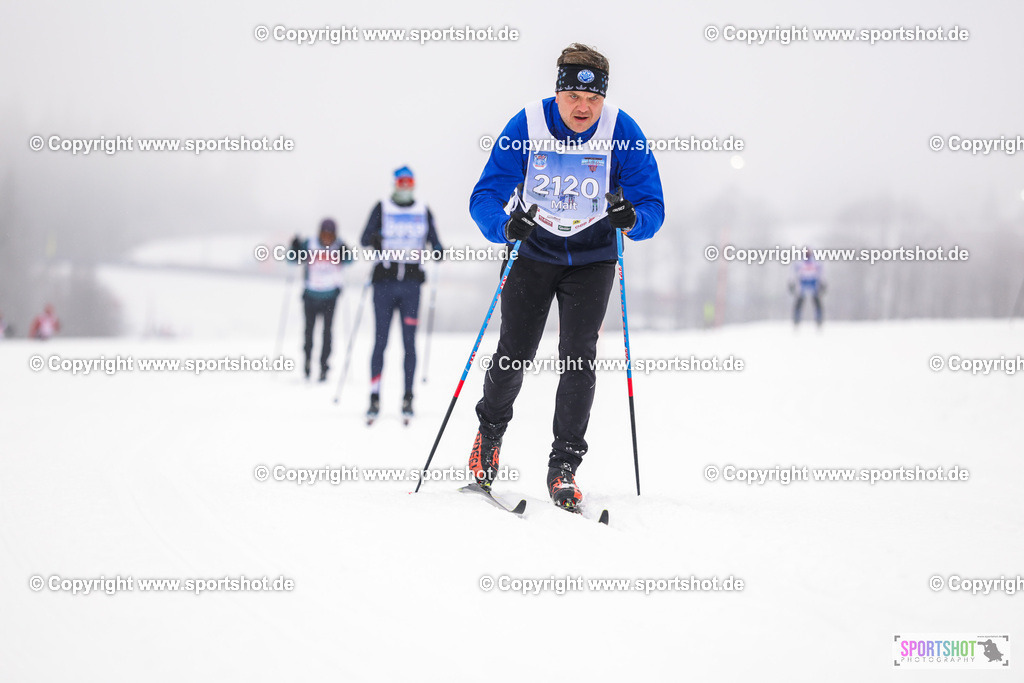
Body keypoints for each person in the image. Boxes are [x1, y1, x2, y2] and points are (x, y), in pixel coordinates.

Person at [467, 43, 664, 510]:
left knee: (579, 357)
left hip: (592, 259)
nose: (583, 108)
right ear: (558, 92)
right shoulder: (527, 126)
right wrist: (503, 227)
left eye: (593, 99)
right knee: (514, 353)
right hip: (532, 252)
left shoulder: (622, 131)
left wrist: (630, 219)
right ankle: (488, 439)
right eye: (574, 95)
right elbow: (484, 196)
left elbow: (653, 208)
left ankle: (564, 468)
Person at [361, 167, 443, 422]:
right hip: (384, 284)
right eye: (401, 182)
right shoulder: (382, 207)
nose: (405, 187)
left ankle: (408, 396)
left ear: (414, 185)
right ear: (395, 184)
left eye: (409, 183)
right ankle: (374, 396)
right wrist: (374, 238)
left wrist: (438, 250)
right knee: (381, 341)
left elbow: (436, 242)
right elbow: (364, 239)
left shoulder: (423, 210)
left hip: (411, 286)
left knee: (409, 343)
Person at [289, 219, 351, 381]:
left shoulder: (339, 245)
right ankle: (308, 361)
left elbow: (350, 261)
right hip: (310, 295)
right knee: (309, 332)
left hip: (330, 296)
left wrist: (346, 252)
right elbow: (293, 260)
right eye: (324, 234)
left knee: (327, 332)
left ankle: (324, 365)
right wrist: (294, 248)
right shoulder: (310, 243)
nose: (327, 238)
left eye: (330, 235)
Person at [789, 249, 825, 327]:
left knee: (817, 302)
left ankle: (819, 319)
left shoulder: (815, 263)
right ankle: (796, 319)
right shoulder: (799, 263)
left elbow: (820, 274)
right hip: (802, 285)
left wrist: (822, 284)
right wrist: (792, 283)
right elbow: (794, 274)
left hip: (813, 284)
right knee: (799, 302)